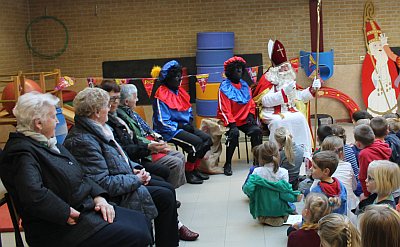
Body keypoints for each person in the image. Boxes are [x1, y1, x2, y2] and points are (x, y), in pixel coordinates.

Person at [0, 92, 152, 247]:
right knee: (138, 235)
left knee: (142, 221)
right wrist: (65, 212)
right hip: (59, 226)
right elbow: (33, 194)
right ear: (38, 123)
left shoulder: (47, 142)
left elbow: (81, 174)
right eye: (53, 117)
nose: (58, 120)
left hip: (84, 208)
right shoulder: (21, 153)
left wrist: (99, 197)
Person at [64, 87, 181, 246]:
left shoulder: (100, 129)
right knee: (165, 196)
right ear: (97, 112)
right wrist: (136, 179)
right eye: (106, 105)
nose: (110, 108)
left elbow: (120, 158)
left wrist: (135, 168)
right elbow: (102, 183)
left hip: (126, 180)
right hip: (110, 196)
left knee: (167, 189)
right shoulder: (82, 141)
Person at [101, 80, 186, 189]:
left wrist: (155, 141)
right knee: (171, 169)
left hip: (135, 156)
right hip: (130, 161)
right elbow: (123, 150)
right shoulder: (113, 120)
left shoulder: (118, 116)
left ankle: (177, 186)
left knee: (179, 156)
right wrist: (149, 146)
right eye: (112, 99)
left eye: (117, 98)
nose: (116, 102)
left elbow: (137, 136)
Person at [253, 39, 321, 158]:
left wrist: (312, 89)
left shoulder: (289, 79)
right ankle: (276, 154)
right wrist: (283, 93)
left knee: (300, 118)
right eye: (282, 67)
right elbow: (264, 101)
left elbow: (299, 97)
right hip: (272, 112)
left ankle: (303, 153)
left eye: (286, 66)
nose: (285, 69)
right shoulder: (268, 79)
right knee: (279, 122)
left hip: (289, 110)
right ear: (275, 68)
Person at [152, 60, 212, 184]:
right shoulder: (161, 95)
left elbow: (188, 110)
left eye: (180, 75)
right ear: (167, 78)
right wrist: (180, 126)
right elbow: (161, 122)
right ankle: (188, 172)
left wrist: (189, 123)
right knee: (196, 144)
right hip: (169, 130)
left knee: (207, 140)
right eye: (175, 76)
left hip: (184, 126)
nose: (179, 79)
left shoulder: (180, 92)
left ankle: (195, 169)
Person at [217, 56, 262, 175]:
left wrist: (251, 115)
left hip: (244, 120)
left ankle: (258, 162)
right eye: (236, 68)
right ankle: (228, 163)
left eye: (240, 68)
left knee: (257, 131)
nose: (239, 71)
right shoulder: (224, 87)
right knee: (234, 134)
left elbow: (251, 103)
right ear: (229, 71)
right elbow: (224, 108)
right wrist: (232, 124)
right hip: (230, 120)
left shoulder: (244, 86)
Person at [242, 141, 302, 226]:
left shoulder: (256, 172)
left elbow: (247, 190)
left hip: (263, 209)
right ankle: (282, 216)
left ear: (260, 158)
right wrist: (295, 198)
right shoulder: (283, 172)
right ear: (278, 155)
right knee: (291, 206)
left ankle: (265, 218)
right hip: (278, 208)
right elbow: (284, 195)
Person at [314, 136, 359, 212]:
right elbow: (354, 186)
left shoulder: (320, 170)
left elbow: (313, 190)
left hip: (328, 209)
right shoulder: (348, 166)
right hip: (350, 206)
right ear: (341, 153)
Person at [354, 124, 391, 202]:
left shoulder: (364, 153)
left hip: (374, 184)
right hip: (385, 180)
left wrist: (366, 194)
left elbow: (363, 176)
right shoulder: (381, 144)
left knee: (356, 190)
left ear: (358, 143)